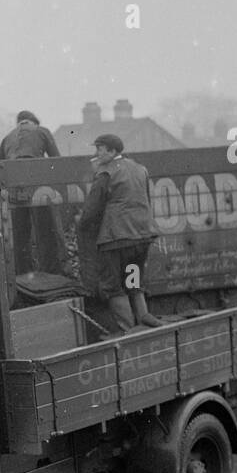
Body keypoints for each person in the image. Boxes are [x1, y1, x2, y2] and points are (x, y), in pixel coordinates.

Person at [77, 133, 160, 331]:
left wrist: (81, 225)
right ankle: (144, 320)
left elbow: (92, 208)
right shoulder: (140, 168)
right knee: (133, 280)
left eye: (100, 149)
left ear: (112, 151)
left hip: (116, 238)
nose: (96, 153)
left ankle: (128, 329)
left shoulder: (106, 172)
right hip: (142, 236)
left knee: (113, 286)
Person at [0, 110, 64, 275]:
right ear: (34, 122)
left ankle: (23, 275)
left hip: (13, 184)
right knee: (46, 230)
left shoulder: (8, 136)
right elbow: (57, 159)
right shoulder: (42, 131)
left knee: (20, 233)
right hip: (36, 180)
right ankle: (51, 273)